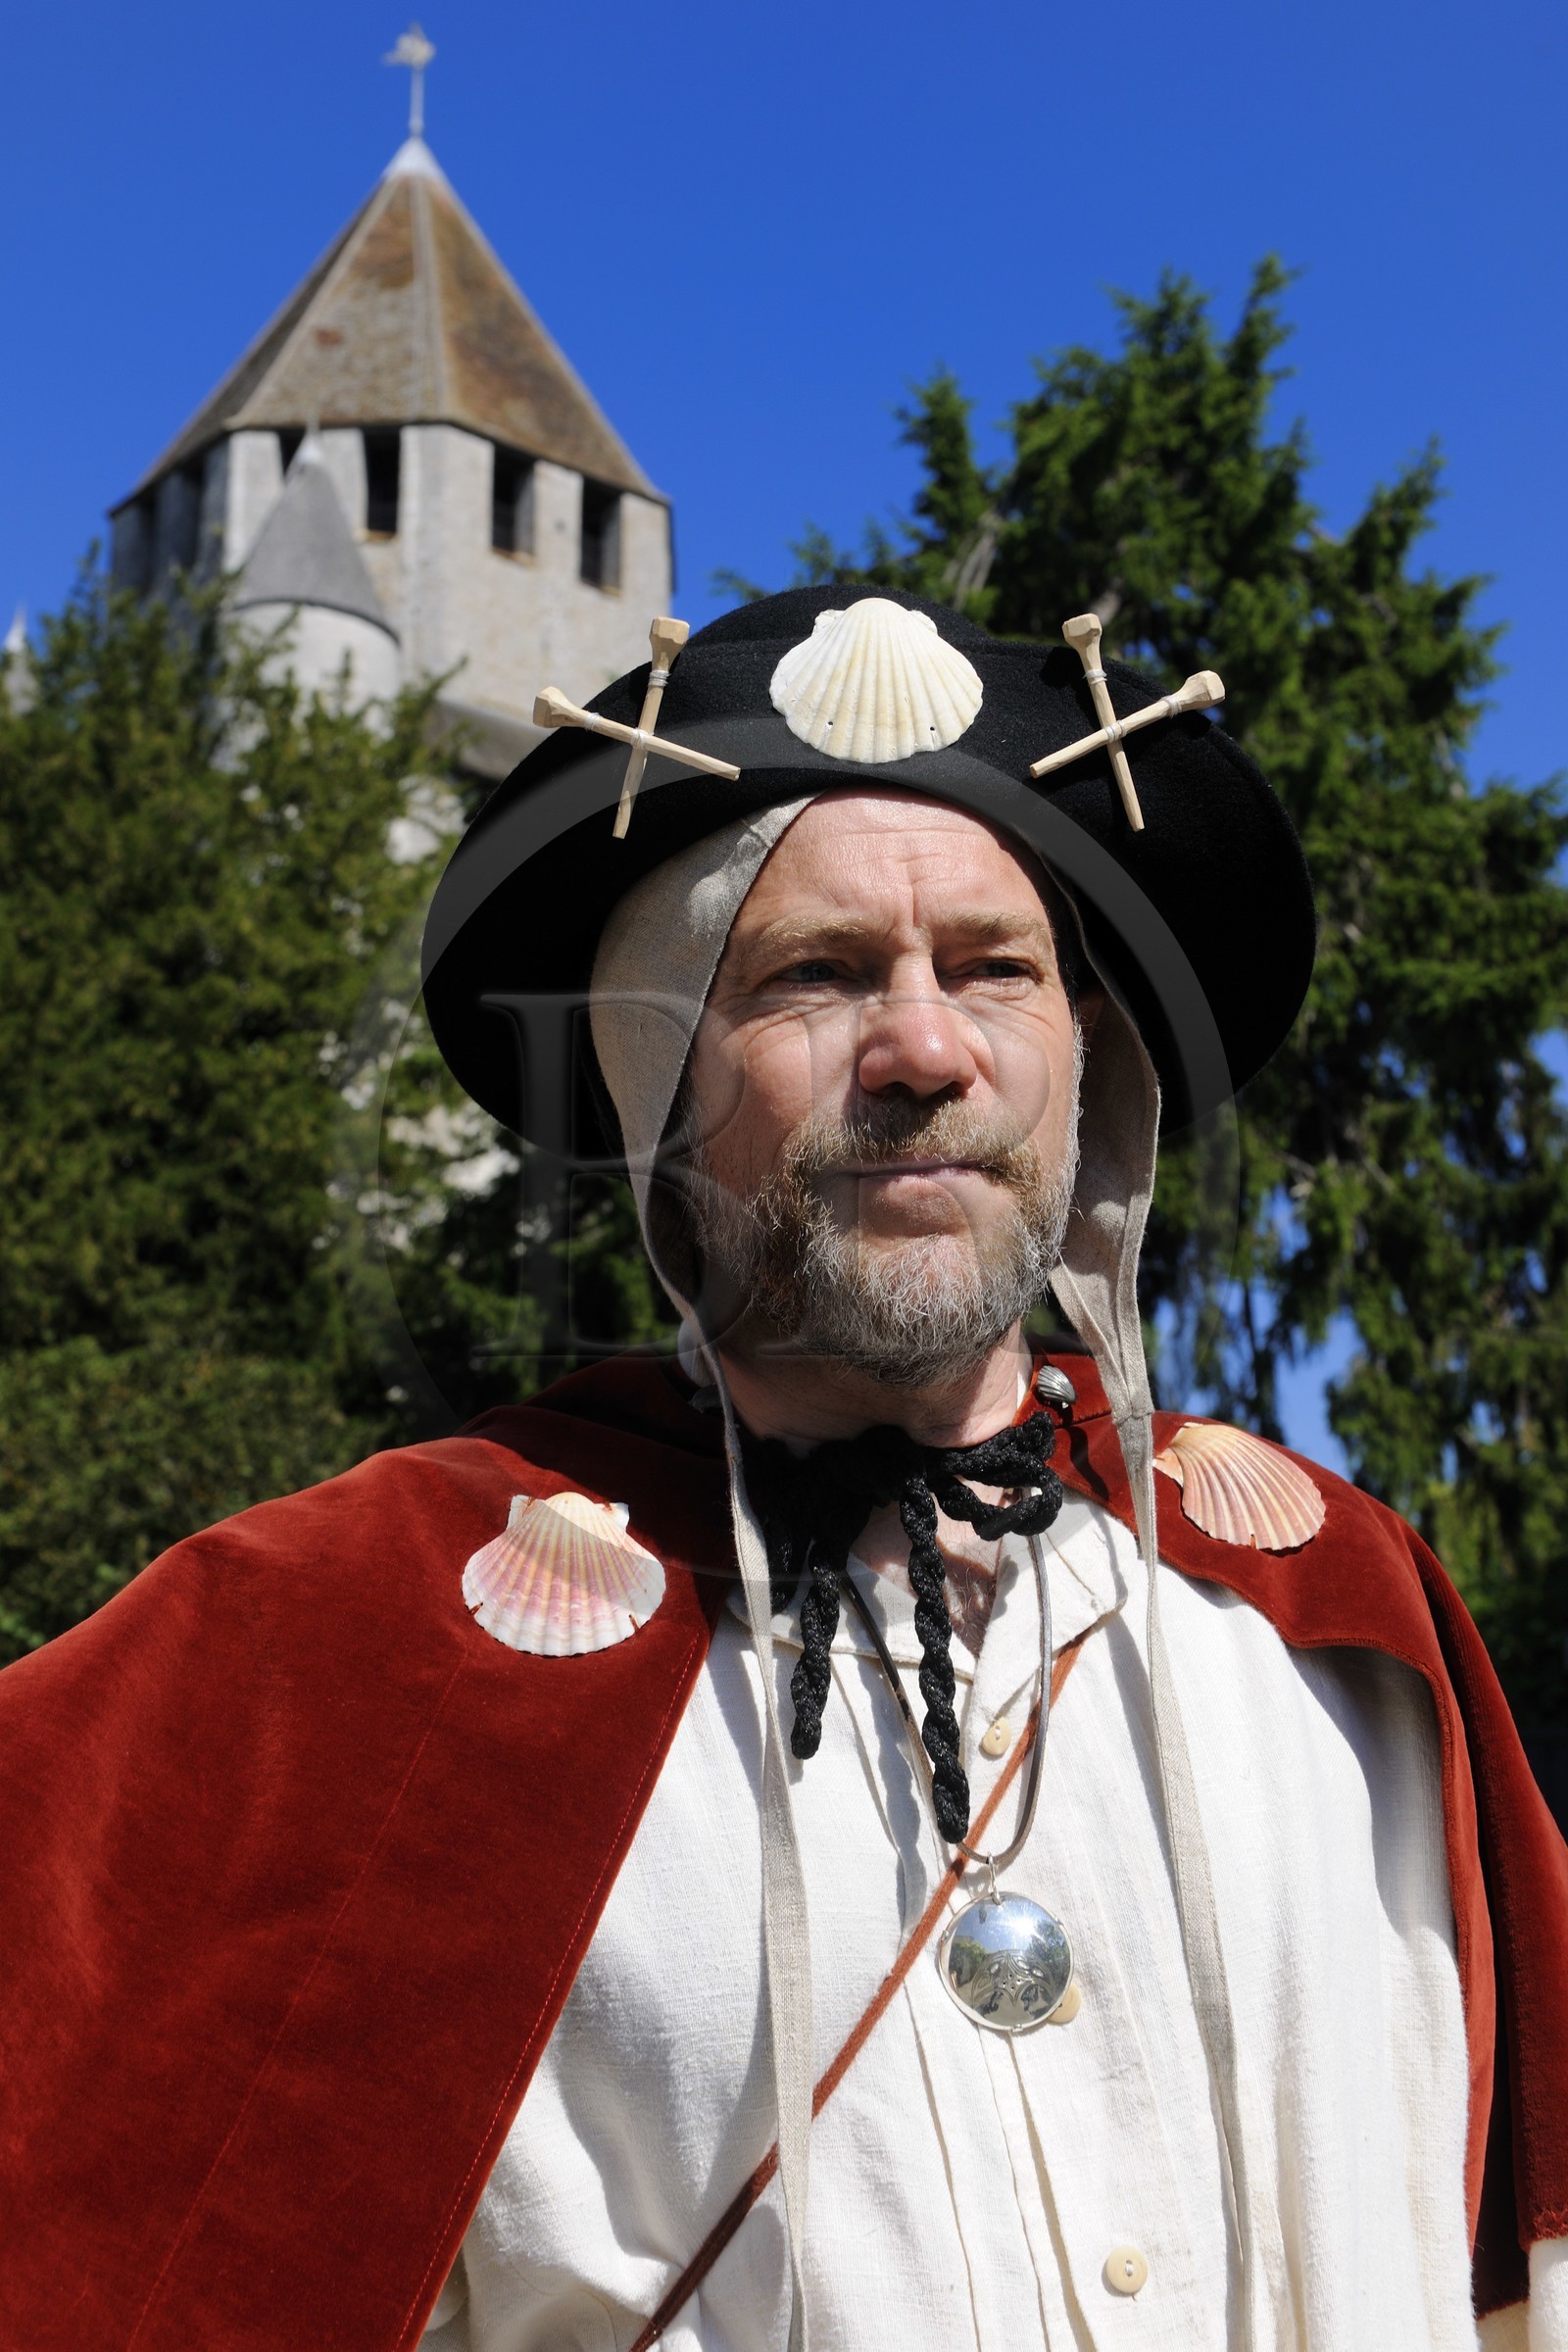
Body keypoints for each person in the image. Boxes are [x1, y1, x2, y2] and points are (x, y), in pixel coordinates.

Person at [1, 589, 1563, 2352]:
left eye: (997, 969)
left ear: (1086, 1066)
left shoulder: (1336, 1621)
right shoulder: (343, 1645)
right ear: (661, 1079)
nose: (927, 1049)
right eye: (814, 977)